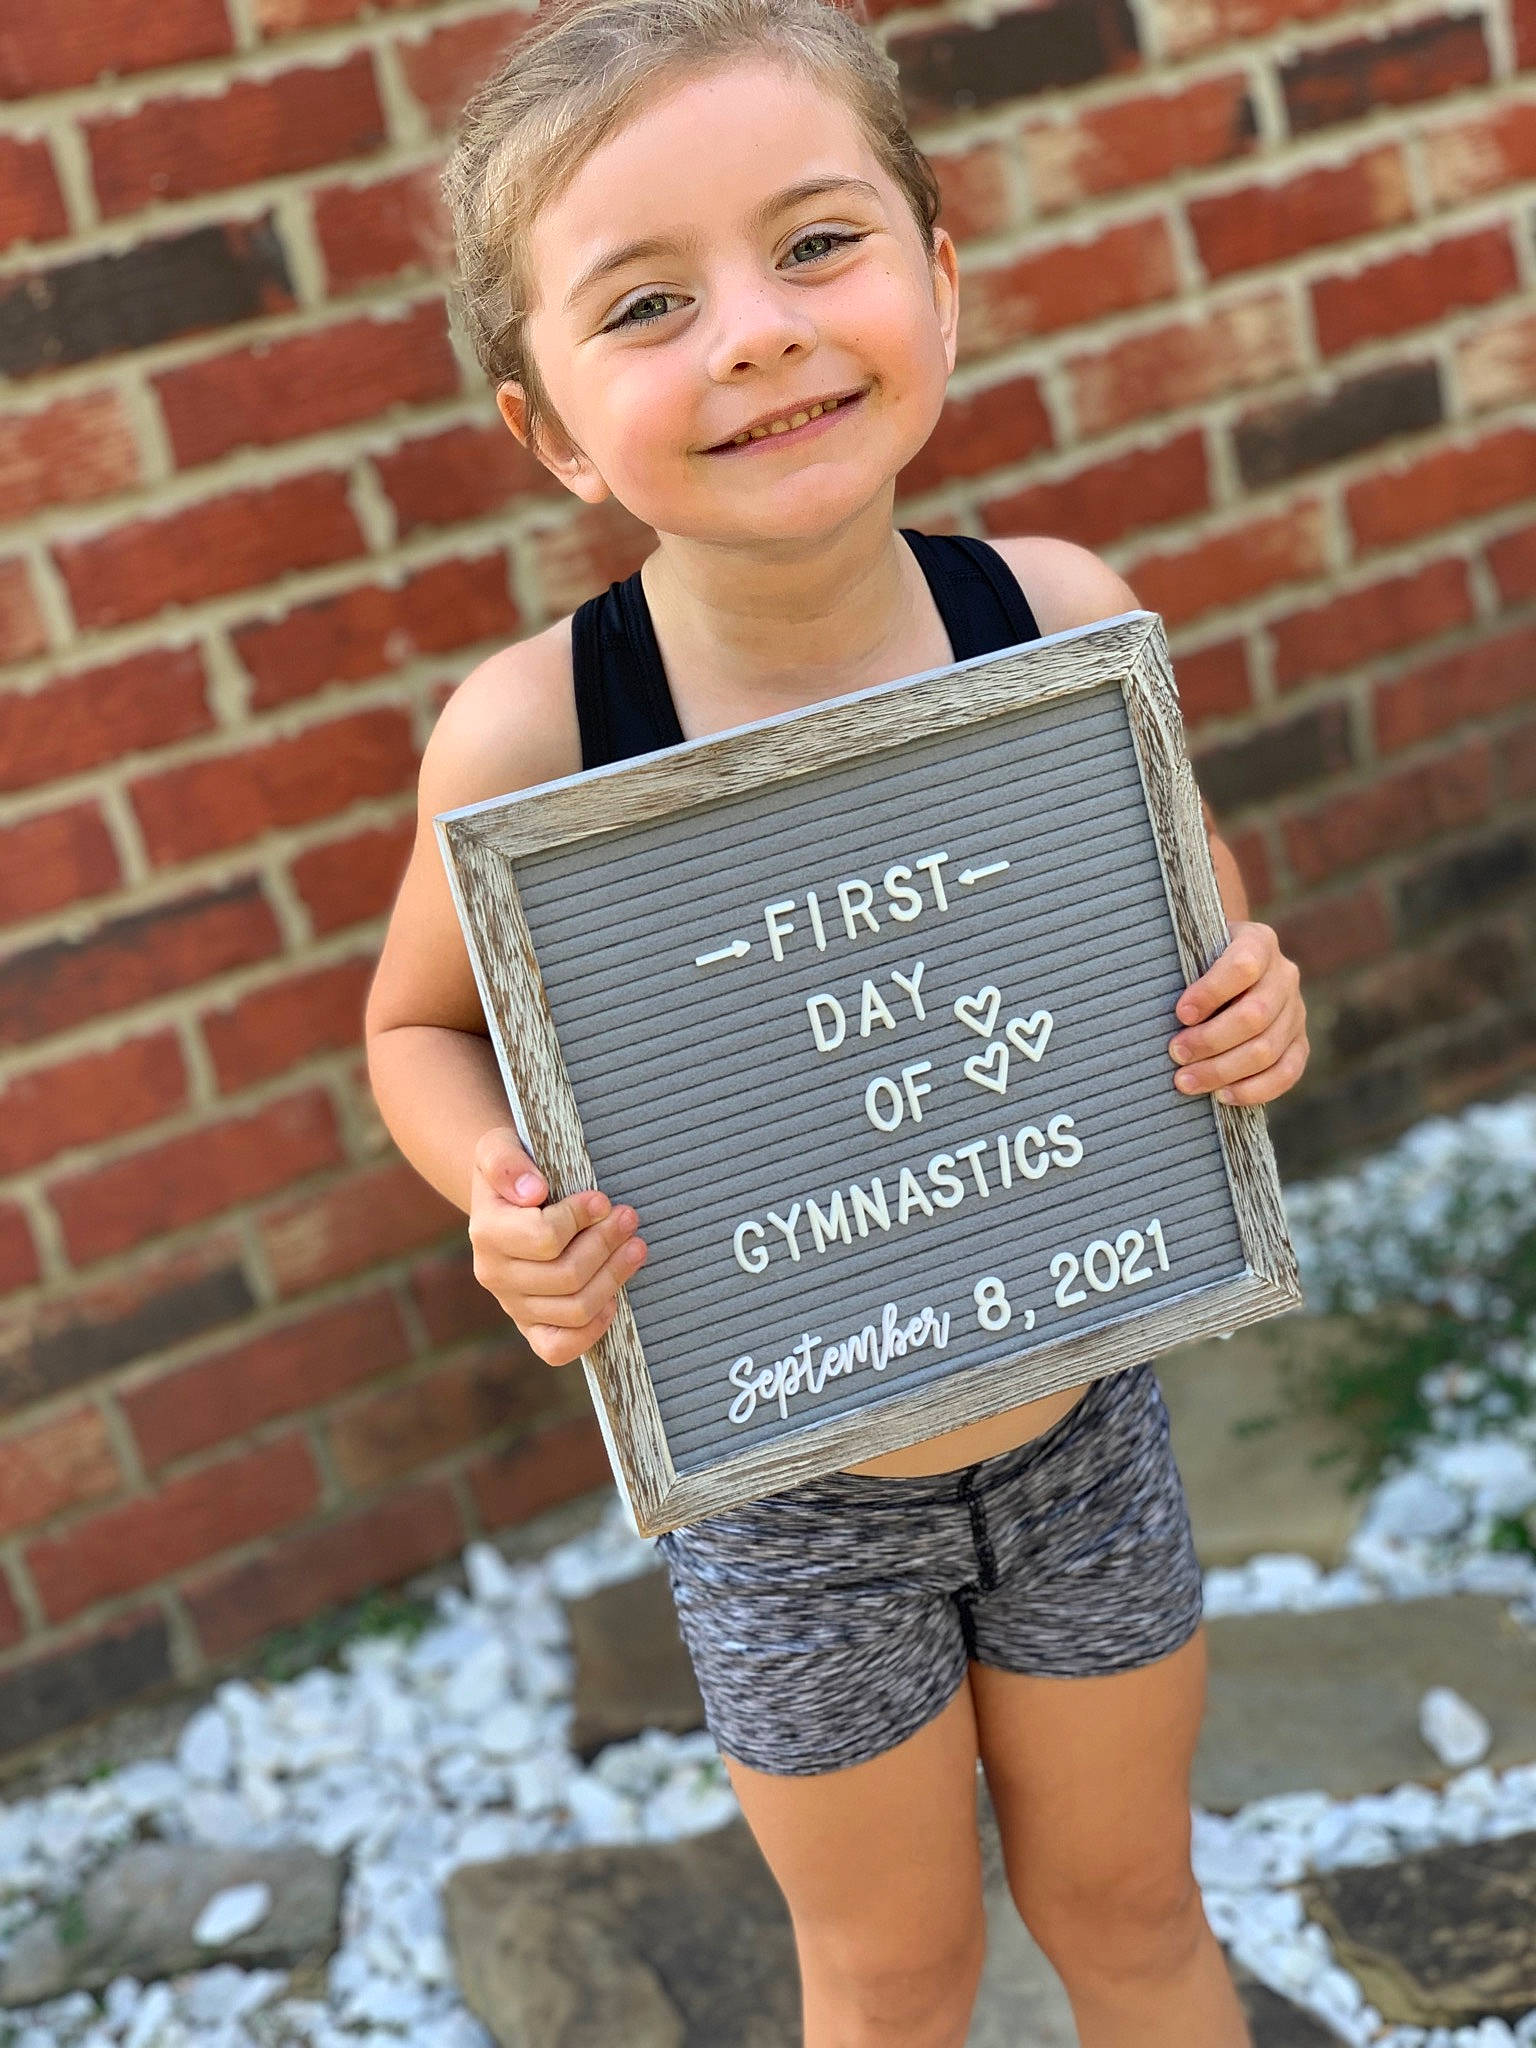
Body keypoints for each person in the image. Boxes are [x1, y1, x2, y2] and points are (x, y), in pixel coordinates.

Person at [365, 0, 1310, 2040]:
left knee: (1137, 1906)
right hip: (788, 1493)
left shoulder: (1050, 624)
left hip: (1081, 1421)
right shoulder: (537, 736)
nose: (759, 333)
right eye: (647, 303)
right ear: (547, 425)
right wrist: (501, 1189)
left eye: (816, 244)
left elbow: (1184, 903)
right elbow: (414, 1030)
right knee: (889, 1969)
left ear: (939, 284)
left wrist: (1250, 1000)